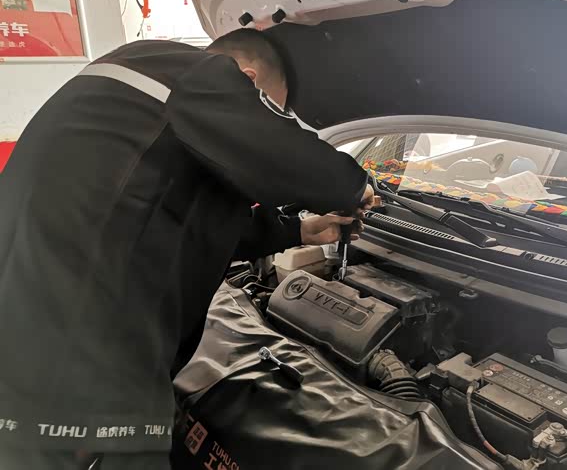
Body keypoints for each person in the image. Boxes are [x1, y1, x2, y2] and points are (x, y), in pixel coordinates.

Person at [0, 30, 372, 469]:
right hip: (81, 358)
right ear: (247, 79)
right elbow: (289, 155)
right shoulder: (194, 74)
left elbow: (184, 214)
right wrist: (356, 187)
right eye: (270, 109)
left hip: (34, 335)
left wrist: (298, 231)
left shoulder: (137, 91)